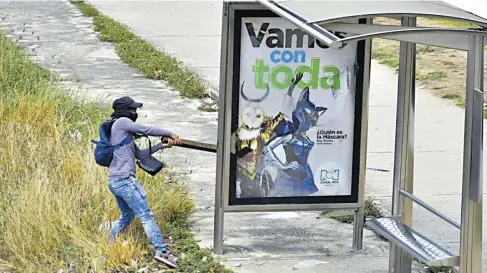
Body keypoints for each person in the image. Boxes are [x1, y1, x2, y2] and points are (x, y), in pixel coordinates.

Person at [106, 96, 180, 268]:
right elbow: (146, 129)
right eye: (133, 109)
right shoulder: (121, 122)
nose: (135, 112)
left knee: (127, 216)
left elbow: (139, 155)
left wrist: (162, 146)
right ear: (125, 110)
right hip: (124, 180)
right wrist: (169, 133)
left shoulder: (120, 131)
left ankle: (109, 244)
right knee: (146, 215)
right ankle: (163, 252)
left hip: (116, 181)